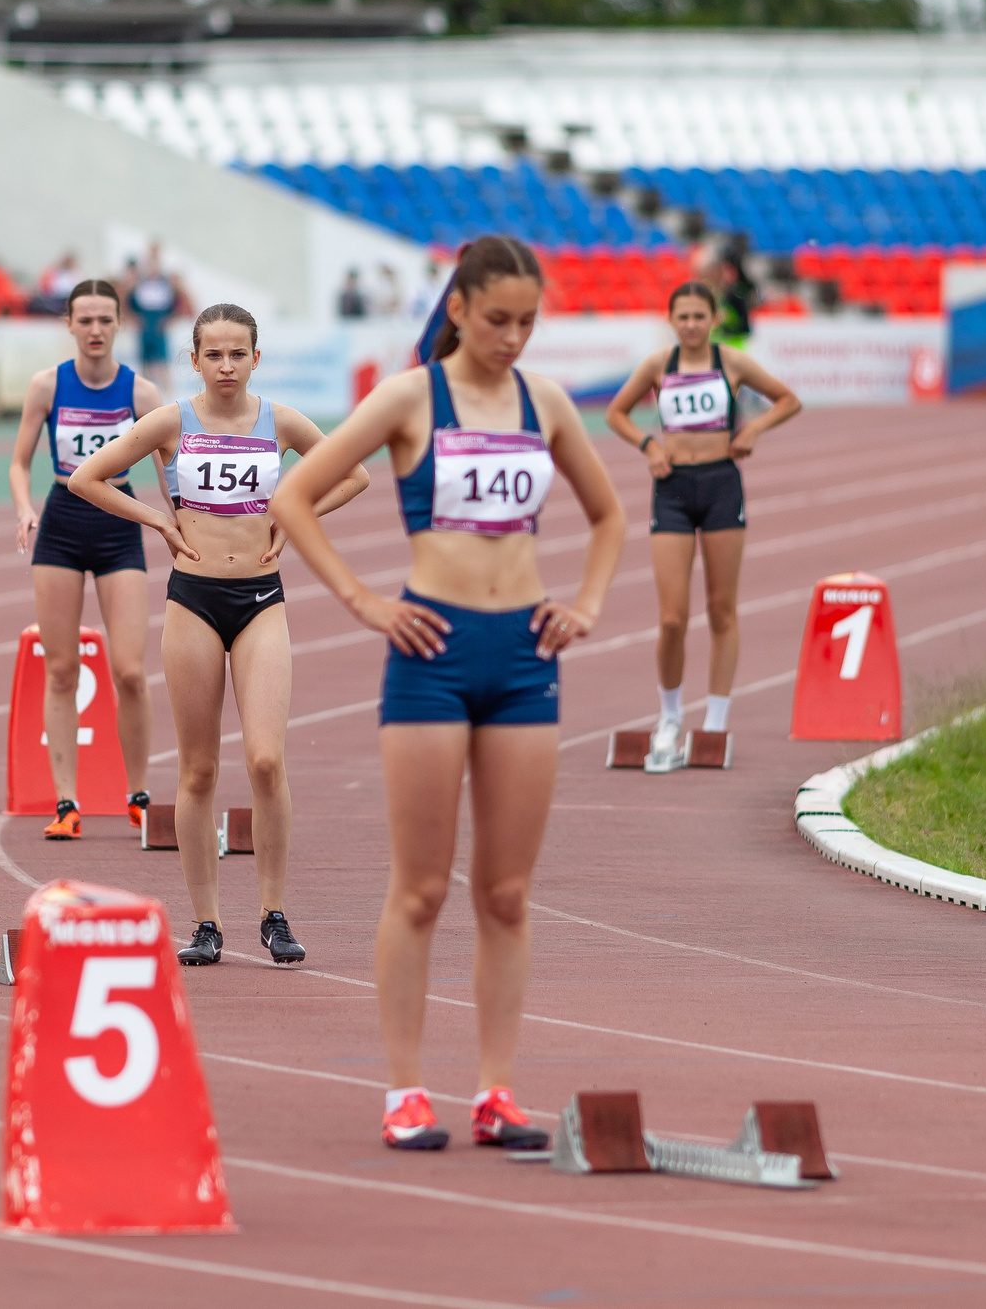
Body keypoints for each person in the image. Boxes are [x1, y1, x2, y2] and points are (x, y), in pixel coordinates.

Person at [271, 235, 624, 1155]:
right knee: (421, 888)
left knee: (506, 892)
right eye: (498, 319)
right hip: (430, 650)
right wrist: (363, 601)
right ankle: (404, 1091)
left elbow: (609, 514)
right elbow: (295, 494)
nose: (514, 338)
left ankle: (498, 1092)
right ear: (459, 308)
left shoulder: (542, 402)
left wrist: (585, 603)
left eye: (528, 323)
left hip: (521, 656)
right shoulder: (408, 397)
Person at [68, 302, 368, 968]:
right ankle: (206, 921)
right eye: (214, 354)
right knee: (198, 768)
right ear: (195, 359)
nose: (226, 365)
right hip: (194, 600)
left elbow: (355, 472)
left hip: (261, 599)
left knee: (265, 758)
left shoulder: (280, 420)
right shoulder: (171, 421)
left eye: (238, 353)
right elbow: (85, 478)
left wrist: (293, 517)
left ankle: (273, 911)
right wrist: (157, 519)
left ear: (256, 358)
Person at [605, 280, 802, 770]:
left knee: (721, 609)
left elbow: (788, 399)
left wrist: (752, 429)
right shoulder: (658, 365)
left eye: (699, 316)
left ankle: (715, 719)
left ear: (715, 319)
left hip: (720, 486)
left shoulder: (729, 363)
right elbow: (616, 413)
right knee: (672, 616)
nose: (691, 325)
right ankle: (670, 715)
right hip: (672, 488)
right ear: (671, 321)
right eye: (683, 317)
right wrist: (649, 446)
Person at [8, 279, 163, 840]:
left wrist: (174, 526)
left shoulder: (141, 394)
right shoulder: (47, 386)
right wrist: (24, 507)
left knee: (130, 671)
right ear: (68, 325)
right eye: (85, 320)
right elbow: (20, 462)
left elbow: (168, 471)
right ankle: (66, 802)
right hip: (63, 524)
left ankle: (139, 795)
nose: (95, 330)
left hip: (120, 522)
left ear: (120, 324)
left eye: (105, 320)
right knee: (61, 669)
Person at [122, 243, 187, 393]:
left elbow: (179, 304)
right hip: (145, 323)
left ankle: (169, 393)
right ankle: (144, 392)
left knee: (162, 361)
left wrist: (170, 320)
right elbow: (126, 301)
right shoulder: (138, 282)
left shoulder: (167, 283)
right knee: (144, 361)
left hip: (159, 324)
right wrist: (132, 318)